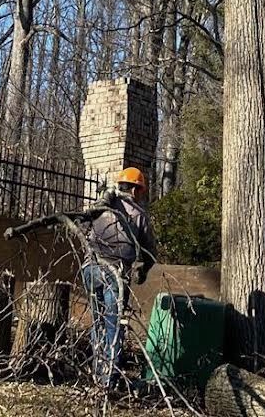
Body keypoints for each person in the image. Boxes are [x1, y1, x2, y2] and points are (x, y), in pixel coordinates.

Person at [75, 167, 156, 391]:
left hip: (91, 268)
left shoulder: (101, 207)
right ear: (136, 189)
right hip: (115, 273)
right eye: (140, 190)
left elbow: (83, 227)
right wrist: (144, 270)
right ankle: (108, 380)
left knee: (98, 320)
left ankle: (97, 372)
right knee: (113, 324)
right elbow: (150, 252)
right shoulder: (139, 215)